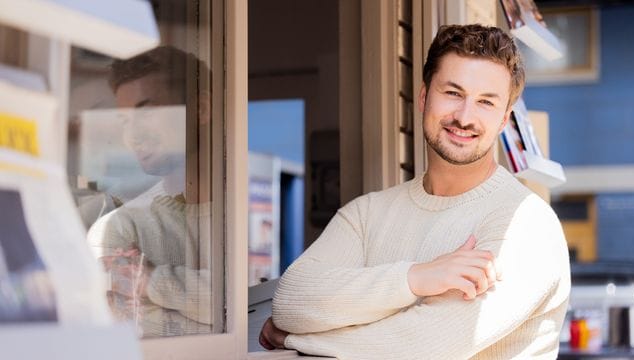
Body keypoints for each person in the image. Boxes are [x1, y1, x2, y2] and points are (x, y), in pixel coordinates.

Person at [259, 24, 570, 359]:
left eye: (485, 102)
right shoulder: (367, 214)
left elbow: (421, 347)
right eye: (453, 93)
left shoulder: (526, 225)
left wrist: (294, 339)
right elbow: (291, 299)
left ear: (504, 118)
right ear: (424, 97)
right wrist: (416, 278)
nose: (465, 117)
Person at [87, 46, 213, 337]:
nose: (133, 135)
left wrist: (150, 280)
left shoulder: (243, 217)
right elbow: (120, 338)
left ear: (202, 109)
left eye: (147, 113)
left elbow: (244, 309)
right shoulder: (117, 229)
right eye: (125, 122)